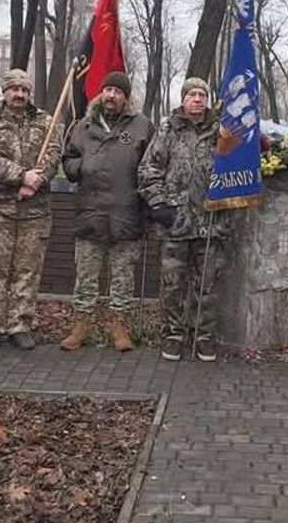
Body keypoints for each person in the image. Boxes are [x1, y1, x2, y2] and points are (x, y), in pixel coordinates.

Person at [61, 71, 154, 352]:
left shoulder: (142, 126)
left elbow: (152, 166)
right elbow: (68, 159)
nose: (111, 95)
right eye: (107, 90)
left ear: (126, 97)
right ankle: (82, 325)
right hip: (90, 213)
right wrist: (82, 167)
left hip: (126, 214)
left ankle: (119, 326)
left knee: (123, 276)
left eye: (117, 91)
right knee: (86, 276)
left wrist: (149, 207)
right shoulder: (83, 126)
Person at [138, 77, 230, 363]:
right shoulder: (168, 128)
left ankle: (203, 335)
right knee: (173, 283)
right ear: (184, 99)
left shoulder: (222, 130)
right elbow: (149, 169)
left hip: (211, 219)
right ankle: (173, 334)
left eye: (202, 94)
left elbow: (238, 168)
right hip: (175, 221)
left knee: (207, 285)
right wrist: (158, 204)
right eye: (192, 94)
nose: (198, 99)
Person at [0, 68, 62, 353]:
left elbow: (53, 155)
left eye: (24, 90)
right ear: (5, 91)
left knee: (27, 272)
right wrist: (22, 176)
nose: (19, 94)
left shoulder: (46, 121)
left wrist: (36, 182)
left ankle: (20, 325)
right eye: (14, 89)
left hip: (35, 212)